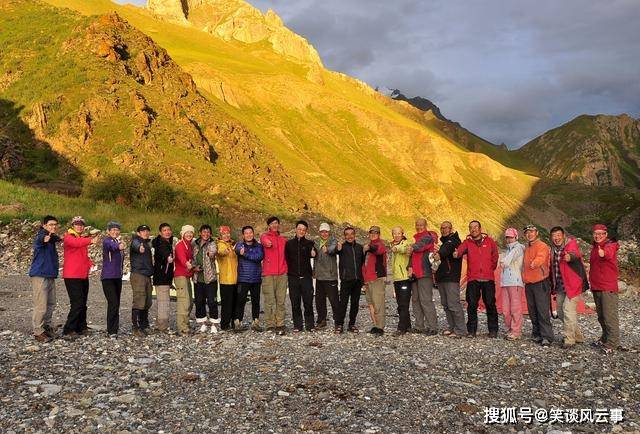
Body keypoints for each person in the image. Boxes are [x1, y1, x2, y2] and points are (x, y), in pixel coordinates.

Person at [454, 220, 499, 338]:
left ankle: (493, 330)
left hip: (488, 278)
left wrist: (489, 269)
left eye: (475, 227)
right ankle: (471, 330)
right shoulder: (467, 242)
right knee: (472, 304)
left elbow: (495, 257)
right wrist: (455, 253)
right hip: (473, 278)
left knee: (490, 304)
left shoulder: (490, 242)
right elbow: (458, 252)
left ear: (480, 228)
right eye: (471, 228)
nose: (473, 229)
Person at [550, 226, 588, 349]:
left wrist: (569, 257)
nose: (556, 238)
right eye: (554, 236)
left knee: (568, 310)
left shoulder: (570, 244)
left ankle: (569, 339)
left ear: (563, 235)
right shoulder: (553, 250)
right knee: (561, 313)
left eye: (558, 235)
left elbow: (574, 254)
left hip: (574, 284)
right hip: (561, 286)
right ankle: (578, 336)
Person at [62, 216, 98, 338]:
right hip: (72, 275)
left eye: (81, 224)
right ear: (73, 225)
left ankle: (81, 327)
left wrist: (90, 263)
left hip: (82, 275)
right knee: (77, 302)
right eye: (77, 224)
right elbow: (75, 244)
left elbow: (82, 256)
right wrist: (91, 240)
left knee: (82, 302)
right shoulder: (68, 237)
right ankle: (68, 329)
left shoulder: (80, 238)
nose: (80, 226)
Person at [29, 215, 62, 342]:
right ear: (44, 225)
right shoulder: (41, 236)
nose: (53, 226)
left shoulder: (52, 237)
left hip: (50, 274)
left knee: (51, 303)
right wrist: (44, 239)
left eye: (55, 224)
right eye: (50, 225)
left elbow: (56, 238)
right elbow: (40, 240)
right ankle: (38, 331)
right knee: (41, 305)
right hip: (40, 274)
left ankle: (47, 327)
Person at [589, 224, 621, 354]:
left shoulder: (610, 245)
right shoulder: (594, 247)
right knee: (601, 316)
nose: (598, 236)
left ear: (606, 235)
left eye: (601, 233)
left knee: (609, 316)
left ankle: (612, 344)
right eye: (596, 233)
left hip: (607, 287)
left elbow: (608, 253)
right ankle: (605, 338)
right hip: (597, 286)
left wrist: (604, 253)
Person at [433, 221, 466, 338]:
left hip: (451, 277)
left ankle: (460, 330)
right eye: (442, 228)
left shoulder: (454, 240)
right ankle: (452, 327)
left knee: (453, 304)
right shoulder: (444, 242)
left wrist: (439, 254)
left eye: (446, 228)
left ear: (451, 228)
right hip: (442, 278)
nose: (443, 230)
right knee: (446, 304)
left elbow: (447, 249)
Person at [522, 224, 553, 346]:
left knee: (542, 310)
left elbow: (541, 257)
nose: (529, 234)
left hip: (541, 282)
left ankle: (547, 337)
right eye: (527, 232)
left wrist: (535, 263)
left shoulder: (542, 246)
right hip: (529, 283)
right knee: (532, 310)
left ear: (537, 233)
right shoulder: (527, 248)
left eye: (531, 232)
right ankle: (537, 333)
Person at [285, 220, 317, 332]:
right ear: (296, 229)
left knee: (308, 302)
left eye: (303, 230)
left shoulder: (309, 243)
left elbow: (314, 253)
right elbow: (286, 259)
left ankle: (310, 325)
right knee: (295, 303)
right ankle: (297, 325)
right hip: (293, 277)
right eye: (299, 229)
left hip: (306, 277)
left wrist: (314, 253)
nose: (301, 231)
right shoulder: (289, 244)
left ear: (306, 231)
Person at [409, 218, 438, 335]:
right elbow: (413, 256)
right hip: (415, 274)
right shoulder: (416, 238)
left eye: (421, 225)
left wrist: (411, 247)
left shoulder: (428, 237)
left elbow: (420, 247)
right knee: (415, 300)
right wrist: (409, 267)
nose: (419, 226)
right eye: (417, 225)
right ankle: (419, 325)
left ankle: (432, 327)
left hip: (425, 273)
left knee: (426, 300)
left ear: (426, 225)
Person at [260, 217, 288, 334]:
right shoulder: (264, 236)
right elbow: (265, 241)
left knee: (281, 300)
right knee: (269, 300)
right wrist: (267, 242)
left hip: (282, 273)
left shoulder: (283, 239)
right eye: (272, 223)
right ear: (269, 226)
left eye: (276, 223)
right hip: (268, 273)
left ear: (279, 224)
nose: (274, 225)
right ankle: (270, 324)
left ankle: (280, 323)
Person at [235, 226, 264, 332]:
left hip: (256, 278)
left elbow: (259, 257)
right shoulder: (239, 245)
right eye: (246, 233)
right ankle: (238, 322)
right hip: (243, 278)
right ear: (243, 235)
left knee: (256, 301)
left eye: (250, 232)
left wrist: (246, 253)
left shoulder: (259, 246)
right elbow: (238, 251)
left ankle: (255, 322)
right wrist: (248, 254)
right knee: (241, 301)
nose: (248, 235)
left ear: (253, 233)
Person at [336, 227, 364, 333]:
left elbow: (362, 263)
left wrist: (362, 279)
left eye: (351, 234)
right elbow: (334, 251)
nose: (349, 236)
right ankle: (339, 324)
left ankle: (352, 324)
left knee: (355, 303)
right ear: (344, 236)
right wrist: (337, 248)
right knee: (343, 303)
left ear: (354, 235)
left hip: (357, 281)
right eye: (347, 234)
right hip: (346, 279)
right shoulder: (341, 247)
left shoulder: (360, 247)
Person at [193, 224, 219, 334]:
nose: (206, 234)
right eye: (204, 232)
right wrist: (194, 267)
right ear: (200, 233)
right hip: (198, 278)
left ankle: (214, 324)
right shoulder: (195, 244)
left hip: (210, 278)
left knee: (212, 302)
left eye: (208, 232)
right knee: (199, 301)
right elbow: (191, 258)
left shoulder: (212, 243)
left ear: (210, 234)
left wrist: (210, 254)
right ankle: (202, 323)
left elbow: (213, 253)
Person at [101, 221, 125, 338]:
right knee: (113, 303)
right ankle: (111, 330)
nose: (115, 232)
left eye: (117, 230)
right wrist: (118, 246)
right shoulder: (107, 241)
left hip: (117, 277)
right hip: (108, 277)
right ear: (108, 231)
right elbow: (111, 246)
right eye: (113, 230)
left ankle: (114, 328)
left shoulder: (117, 241)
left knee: (116, 303)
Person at [500, 228, 525, 341]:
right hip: (505, 282)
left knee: (515, 307)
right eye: (507, 237)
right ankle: (510, 328)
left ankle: (516, 331)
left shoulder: (518, 248)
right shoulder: (508, 249)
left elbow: (506, 262)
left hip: (515, 281)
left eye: (511, 237)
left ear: (516, 237)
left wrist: (502, 261)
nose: (509, 239)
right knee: (506, 309)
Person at [313, 222, 338, 330]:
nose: (324, 234)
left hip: (330, 276)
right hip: (319, 276)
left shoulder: (333, 241)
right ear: (319, 232)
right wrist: (314, 271)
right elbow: (315, 258)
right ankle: (321, 320)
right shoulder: (316, 242)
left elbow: (333, 250)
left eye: (326, 232)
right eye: (322, 231)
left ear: (329, 232)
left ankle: (338, 322)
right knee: (319, 300)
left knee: (334, 300)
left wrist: (327, 249)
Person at [362, 226, 387, 335]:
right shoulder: (368, 246)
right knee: (371, 304)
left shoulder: (379, 244)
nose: (373, 234)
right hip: (367, 279)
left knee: (378, 304)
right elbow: (364, 264)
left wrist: (369, 247)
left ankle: (380, 327)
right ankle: (375, 325)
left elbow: (378, 250)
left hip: (377, 278)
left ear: (379, 234)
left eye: (376, 232)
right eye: (372, 232)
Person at [130, 224, 154, 337]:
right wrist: (139, 248)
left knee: (148, 301)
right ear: (138, 233)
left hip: (147, 275)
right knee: (139, 300)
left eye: (147, 231)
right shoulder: (137, 241)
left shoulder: (147, 243)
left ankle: (144, 324)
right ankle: (136, 327)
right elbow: (135, 245)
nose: (145, 232)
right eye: (143, 231)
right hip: (138, 274)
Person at [152, 223, 174, 332]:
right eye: (164, 230)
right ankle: (162, 326)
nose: (167, 232)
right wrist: (168, 258)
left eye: (168, 230)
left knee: (162, 301)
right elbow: (164, 253)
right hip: (162, 277)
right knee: (163, 302)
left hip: (162, 277)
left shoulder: (165, 242)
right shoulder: (162, 243)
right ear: (160, 233)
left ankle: (160, 325)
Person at [390, 227, 412, 336]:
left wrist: (396, 248)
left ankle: (401, 328)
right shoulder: (393, 244)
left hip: (404, 279)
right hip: (397, 279)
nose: (397, 235)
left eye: (399, 233)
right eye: (394, 233)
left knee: (403, 304)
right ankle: (407, 325)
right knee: (400, 304)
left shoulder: (406, 243)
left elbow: (404, 249)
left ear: (402, 234)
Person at [174, 225, 195, 335]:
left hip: (186, 276)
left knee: (189, 302)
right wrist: (187, 264)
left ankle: (185, 324)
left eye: (191, 233)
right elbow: (182, 258)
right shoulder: (180, 245)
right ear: (182, 234)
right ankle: (182, 328)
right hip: (180, 276)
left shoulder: (189, 245)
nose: (189, 234)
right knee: (184, 302)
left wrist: (194, 268)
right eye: (187, 233)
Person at [217, 225, 239, 330]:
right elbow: (221, 252)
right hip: (225, 280)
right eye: (224, 234)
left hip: (235, 279)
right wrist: (226, 250)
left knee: (235, 302)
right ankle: (224, 324)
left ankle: (234, 322)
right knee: (226, 303)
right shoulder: (220, 244)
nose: (226, 235)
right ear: (220, 235)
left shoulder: (233, 244)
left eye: (228, 233)